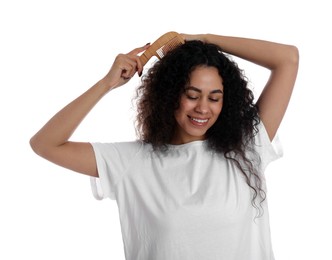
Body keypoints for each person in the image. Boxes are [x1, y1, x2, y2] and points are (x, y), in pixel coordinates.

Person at [30, 32, 299, 260]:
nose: (203, 108)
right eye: (192, 95)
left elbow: (287, 59)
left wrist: (199, 41)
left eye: (214, 98)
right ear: (170, 96)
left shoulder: (247, 147)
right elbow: (45, 144)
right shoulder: (131, 162)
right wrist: (107, 83)